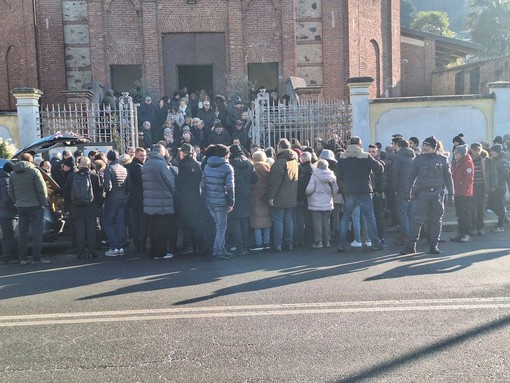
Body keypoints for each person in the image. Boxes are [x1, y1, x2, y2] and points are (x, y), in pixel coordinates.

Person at [401, 136, 454, 255]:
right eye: (424, 145)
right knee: (417, 220)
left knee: (436, 220)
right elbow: (411, 176)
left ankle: (433, 245)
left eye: (428, 146)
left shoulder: (443, 160)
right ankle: (411, 246)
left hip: (437, 193)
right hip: (422, 193)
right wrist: (407, 191)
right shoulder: (418, 159)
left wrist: (451, 193)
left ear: (435, 147)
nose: (425, 148)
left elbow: (448, 178)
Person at [336, 137, 385, 252]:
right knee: (369, 216)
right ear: (360, 145)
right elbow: (380, 169)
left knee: (346, 216)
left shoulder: (342, 157)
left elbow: (339, 174)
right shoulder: (366, 156)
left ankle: (341, 244)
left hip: (349, 190)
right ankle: (375, 243)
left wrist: (344, 186)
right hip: (364, 190)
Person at [8, 153, 49, 264]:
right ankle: (36, 258)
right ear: (30, 161)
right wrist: (43, 203)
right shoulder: (34, 171)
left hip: (21, 206)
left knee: (22, 233)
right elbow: (41, 189)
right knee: (37, 233)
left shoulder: (13, 174)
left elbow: (10, 191)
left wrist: (16, 202)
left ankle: (23, 258)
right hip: (35, 205)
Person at [142, 144, 177, 259]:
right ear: (161, 152)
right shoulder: (162, 164)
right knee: (162, 230)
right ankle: (161, 253)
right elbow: (170, 182)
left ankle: (153, 251)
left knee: (152, 230)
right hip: (162, 201)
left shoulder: (146, 164)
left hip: (149, 201)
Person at [64, 157, 103, 259]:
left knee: (80, 230)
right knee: (91, 230)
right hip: (91, 207)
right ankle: (92, 252)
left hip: (76, 207)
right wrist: (99, 205)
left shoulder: (71, 176)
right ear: (89, 165)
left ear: (79, 164)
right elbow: (99, 193)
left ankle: (81, 252)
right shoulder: (94, 176)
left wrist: (69, 207)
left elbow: (67, 193)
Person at [201, 144, 235, 260]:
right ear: (225, 154)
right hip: (221, 201)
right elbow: (230, 187)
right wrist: (231, 203)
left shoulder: (207, 165)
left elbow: (203, 185)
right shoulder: (227, 167)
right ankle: (218, 250)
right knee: (222, 227)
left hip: (210, 200)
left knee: (219, 226)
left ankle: (222, 249)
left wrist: (205, 199)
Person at [267, 139, 299, 252]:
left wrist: (271, 197)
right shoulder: (294, 161)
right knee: (288, 220)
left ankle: (278, 245)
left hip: (279, 197)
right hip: (291, 196)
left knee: (278, 221)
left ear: (279, 146)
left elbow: (275, 182)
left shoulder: (279, 162)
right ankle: (289, 244)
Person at [176, 143, 205, 255]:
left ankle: (188, 246)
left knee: (187, 224)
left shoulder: (183, 166)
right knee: (197, 223)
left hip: (185, 198)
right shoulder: (197, 165)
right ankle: (200, 246)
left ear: (184, 153)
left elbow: (179, 183)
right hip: (196, 197)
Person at [228, 144, 257, 256]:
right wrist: (249, 187)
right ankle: (244, 245)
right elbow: (255, 179)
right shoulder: (249, 164)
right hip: (246, 194)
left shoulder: (230, 164)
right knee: (244, 220)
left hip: (235, 194)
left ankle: (238, 246)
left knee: (235, 221)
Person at [305, 159, 339, 248]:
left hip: (315, 203)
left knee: (317, 223)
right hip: (327, 202)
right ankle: (327, 241)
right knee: (326, 222)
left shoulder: (314, 175)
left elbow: (309, 189)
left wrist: (307, 193)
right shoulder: (332, 176)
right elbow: (335, 190)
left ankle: (318, 242)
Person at [103, 150, 129, 256]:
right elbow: (128, 185)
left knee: (108, 224)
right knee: (120, 223)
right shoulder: (124, 169)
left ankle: (113, 247)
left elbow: (108, 186)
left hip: (112, 199)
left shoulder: (108, 169)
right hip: (122, 198)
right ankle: (120, 247)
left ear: (108, 158)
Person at [391, 139, 415, 245]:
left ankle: (406, 234)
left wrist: (394, 189)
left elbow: (395, 174)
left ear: (399, 146)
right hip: (413, 188)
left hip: (401, 188)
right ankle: (411, 233)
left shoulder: (398, 157)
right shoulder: (413, 156)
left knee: (402, 212)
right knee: (410, 212)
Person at [469, 143, 496, 235]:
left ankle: (480, 227)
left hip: (482, 187)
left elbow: (493, 173)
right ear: (471, 150)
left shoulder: (487, 160)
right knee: (472, 209)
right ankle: (472, 227)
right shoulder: (468, 160)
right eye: (475, 150)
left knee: (481, 209)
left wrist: (493, 185)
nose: (477, 152)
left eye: (479, 149)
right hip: (471, 188)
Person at [450, 144, 474, 242]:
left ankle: (467, 233)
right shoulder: (455, 162)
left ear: (462, 153)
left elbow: (468, 180)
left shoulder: (468, 163)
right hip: (457, 192)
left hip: (464, 193)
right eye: (455, 152)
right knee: (459, 214)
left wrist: (464, 193)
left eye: (457, 152)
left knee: (465, 214)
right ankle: (460, 232)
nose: (455, 154)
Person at [250, 150, 272, 251]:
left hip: (255, 196)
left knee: (256, 220)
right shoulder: (269, 168)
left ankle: (259, 243)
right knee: (266, 219)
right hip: (265, 197)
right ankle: (267, 242)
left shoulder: (253, 169)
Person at [126, 147, 147, 253]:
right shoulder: (138, 167)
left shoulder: (132, 166)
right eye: (141, 156)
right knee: (141, 223)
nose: (143, 158)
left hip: (135, 199)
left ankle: (137, 244)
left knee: (136, 222)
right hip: (140, 198)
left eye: (144, 155)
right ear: (136, 156)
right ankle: (140, 244)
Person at [488, 144, 509, 232]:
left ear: (497, 151)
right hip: (494, 187)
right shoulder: (493, 160)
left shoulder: (502, 161)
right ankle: (504, 218)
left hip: (500, 188)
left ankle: (500, 226)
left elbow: (504, 174)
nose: (491, 152)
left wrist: (495, 183)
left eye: (493, 151)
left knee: (500, 206)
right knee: (490, 205)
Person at [0, 162, 18, 264]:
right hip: (7, 211)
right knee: (9, 235)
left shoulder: (1, 178)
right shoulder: (5, 180)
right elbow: (6, 197)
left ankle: (11, 255)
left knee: (8, 234)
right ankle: (7, 256)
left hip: (3, 211)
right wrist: (14, 206)